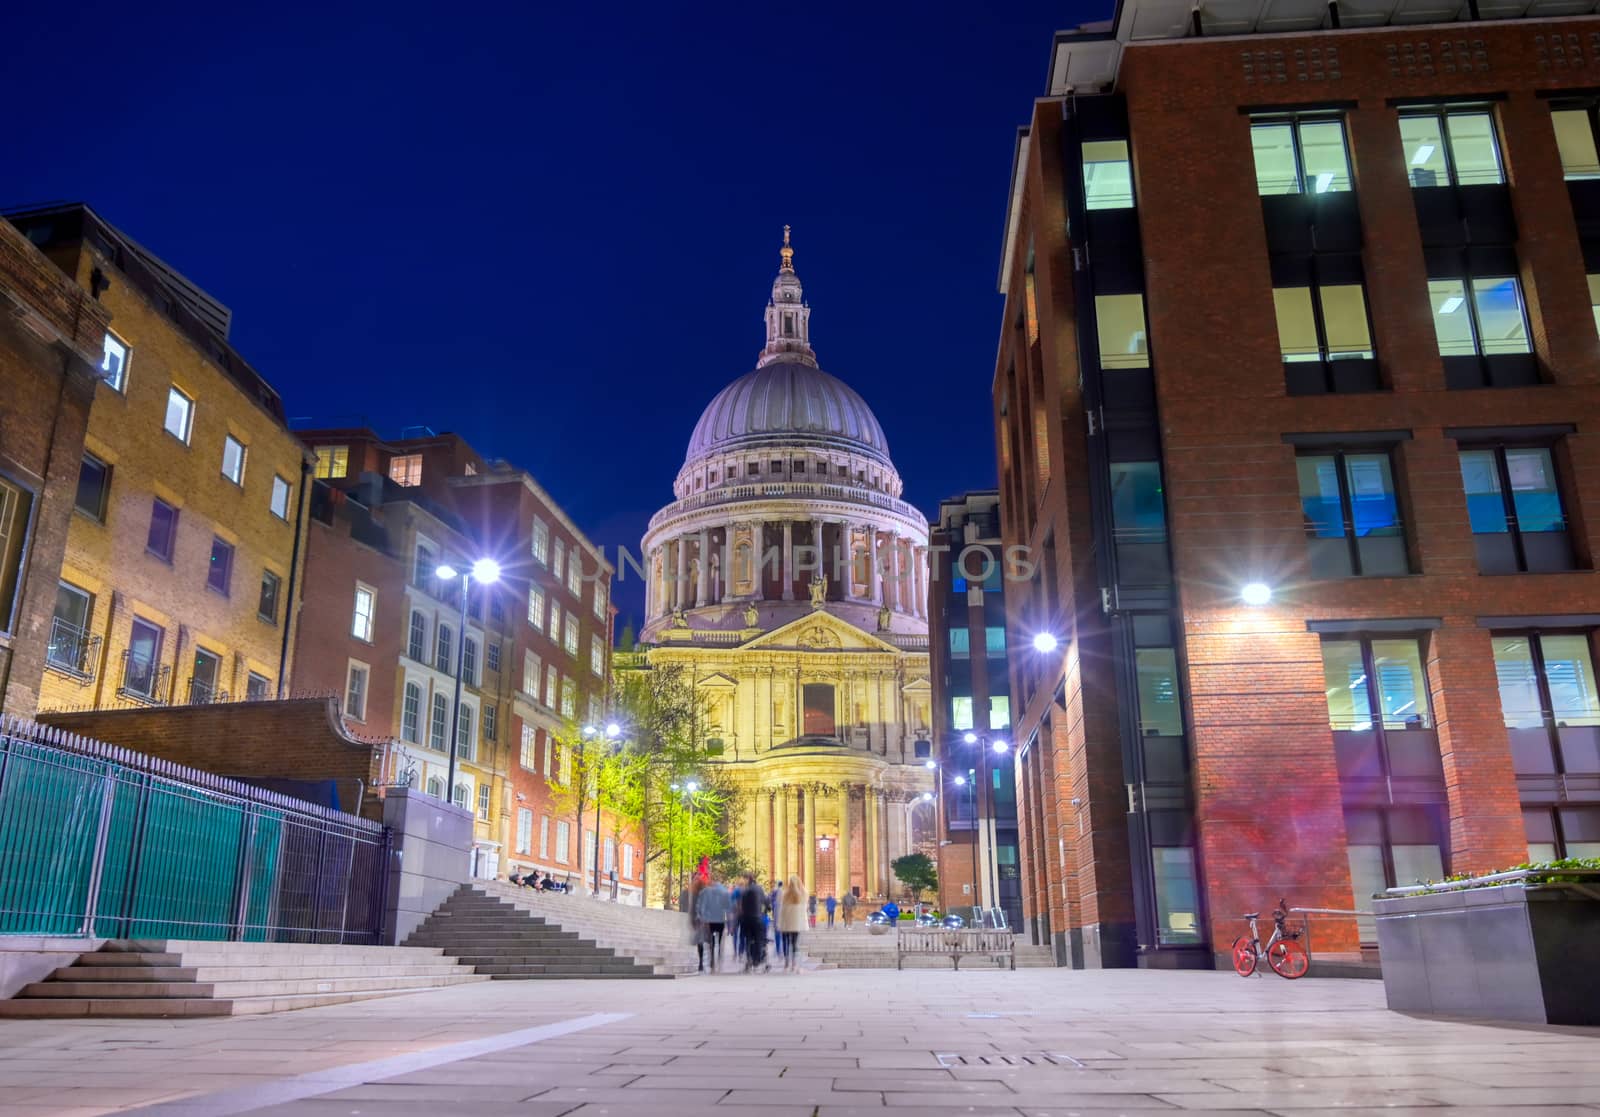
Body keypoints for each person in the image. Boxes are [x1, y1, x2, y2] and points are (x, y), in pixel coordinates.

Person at [696, 875, 732, 972]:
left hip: (710, 919)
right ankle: (719, 954)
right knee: (719, 940)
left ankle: (712, 959)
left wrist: (702, 916)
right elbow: (728, 906)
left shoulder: (706, 892)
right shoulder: (724, 892)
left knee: (711, 939)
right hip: (720, 919)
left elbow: (702, 905)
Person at [778, 875, 807, 971]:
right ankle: (794, 964)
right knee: (795, 943)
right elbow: (803, 911)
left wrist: (780, 923)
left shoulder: (785, 894)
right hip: (796, 924)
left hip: (786, 924)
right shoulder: (802, 895)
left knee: (786, 942)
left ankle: (787, 962)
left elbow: (782, 911)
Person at [738, 874, 766, 972]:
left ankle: (749, 958)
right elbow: (765, 901)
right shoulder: (759, 889)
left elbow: (741, 906)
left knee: (748, 939)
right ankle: (757, 960)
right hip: (757, 918)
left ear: (748, 879)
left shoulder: (745, 891)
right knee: (759, 939)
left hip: (746, 919)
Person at [685, 877, 708, 972]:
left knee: (700, 941)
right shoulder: (705, 894)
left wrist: (691, 920)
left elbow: (691, 908)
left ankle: (701, 962)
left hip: (698, 920)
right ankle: (702, 962)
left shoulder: (693, 895)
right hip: (702, 919)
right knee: (701, 940)